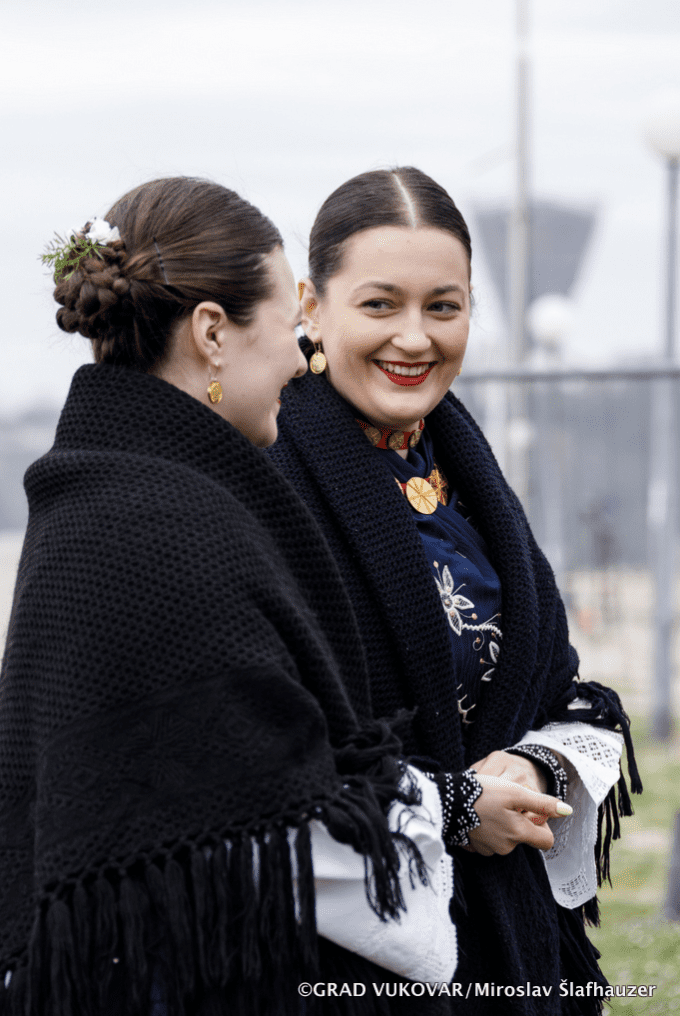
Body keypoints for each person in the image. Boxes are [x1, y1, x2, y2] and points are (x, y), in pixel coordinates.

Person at [0, 176, 572, 1016]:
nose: (297, 358)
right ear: (213, 332)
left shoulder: (122, 489)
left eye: (446, 305)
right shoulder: (169, 523)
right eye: (284, 324)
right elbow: (262, 793)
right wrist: (453, 805)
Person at [269, 167, 642, 1016]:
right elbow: (264, 748)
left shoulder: (462, 467)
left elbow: (558, 688)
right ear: (310, 307)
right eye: (379, 304)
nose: (415, 337)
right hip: (347, 964)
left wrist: (534, 762)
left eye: (444, 306)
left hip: (509, 943)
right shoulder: (267, 475)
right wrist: (453, 806)